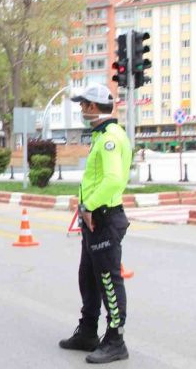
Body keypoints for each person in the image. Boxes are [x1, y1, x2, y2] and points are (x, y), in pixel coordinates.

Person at [59, 84, 132, 364]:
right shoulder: (101, 136)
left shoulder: (111, 138)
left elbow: (113, 179)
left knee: (108, 281)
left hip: (104, 217)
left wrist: (89, 205)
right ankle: (88, 331)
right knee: (87, 277)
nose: (80, 110)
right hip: (92, 219)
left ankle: (116, 339)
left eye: (82, 105)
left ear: (92, 107)